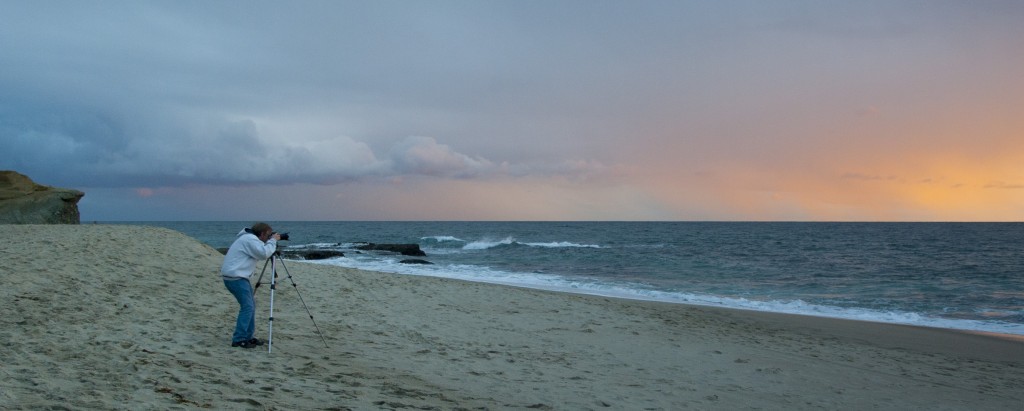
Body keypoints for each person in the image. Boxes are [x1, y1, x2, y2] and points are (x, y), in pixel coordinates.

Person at [220, 222, 281, 348]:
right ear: (263, 233)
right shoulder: (250, 239)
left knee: (251, 306)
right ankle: (239, 339)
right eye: (268, 235)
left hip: (237, 276)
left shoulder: (248, 238)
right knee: (248, 307)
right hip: (235, 277)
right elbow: (264, 253)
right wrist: (273, 241)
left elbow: (261, 250)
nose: (269, 238)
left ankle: (248, 337)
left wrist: (271, 241)